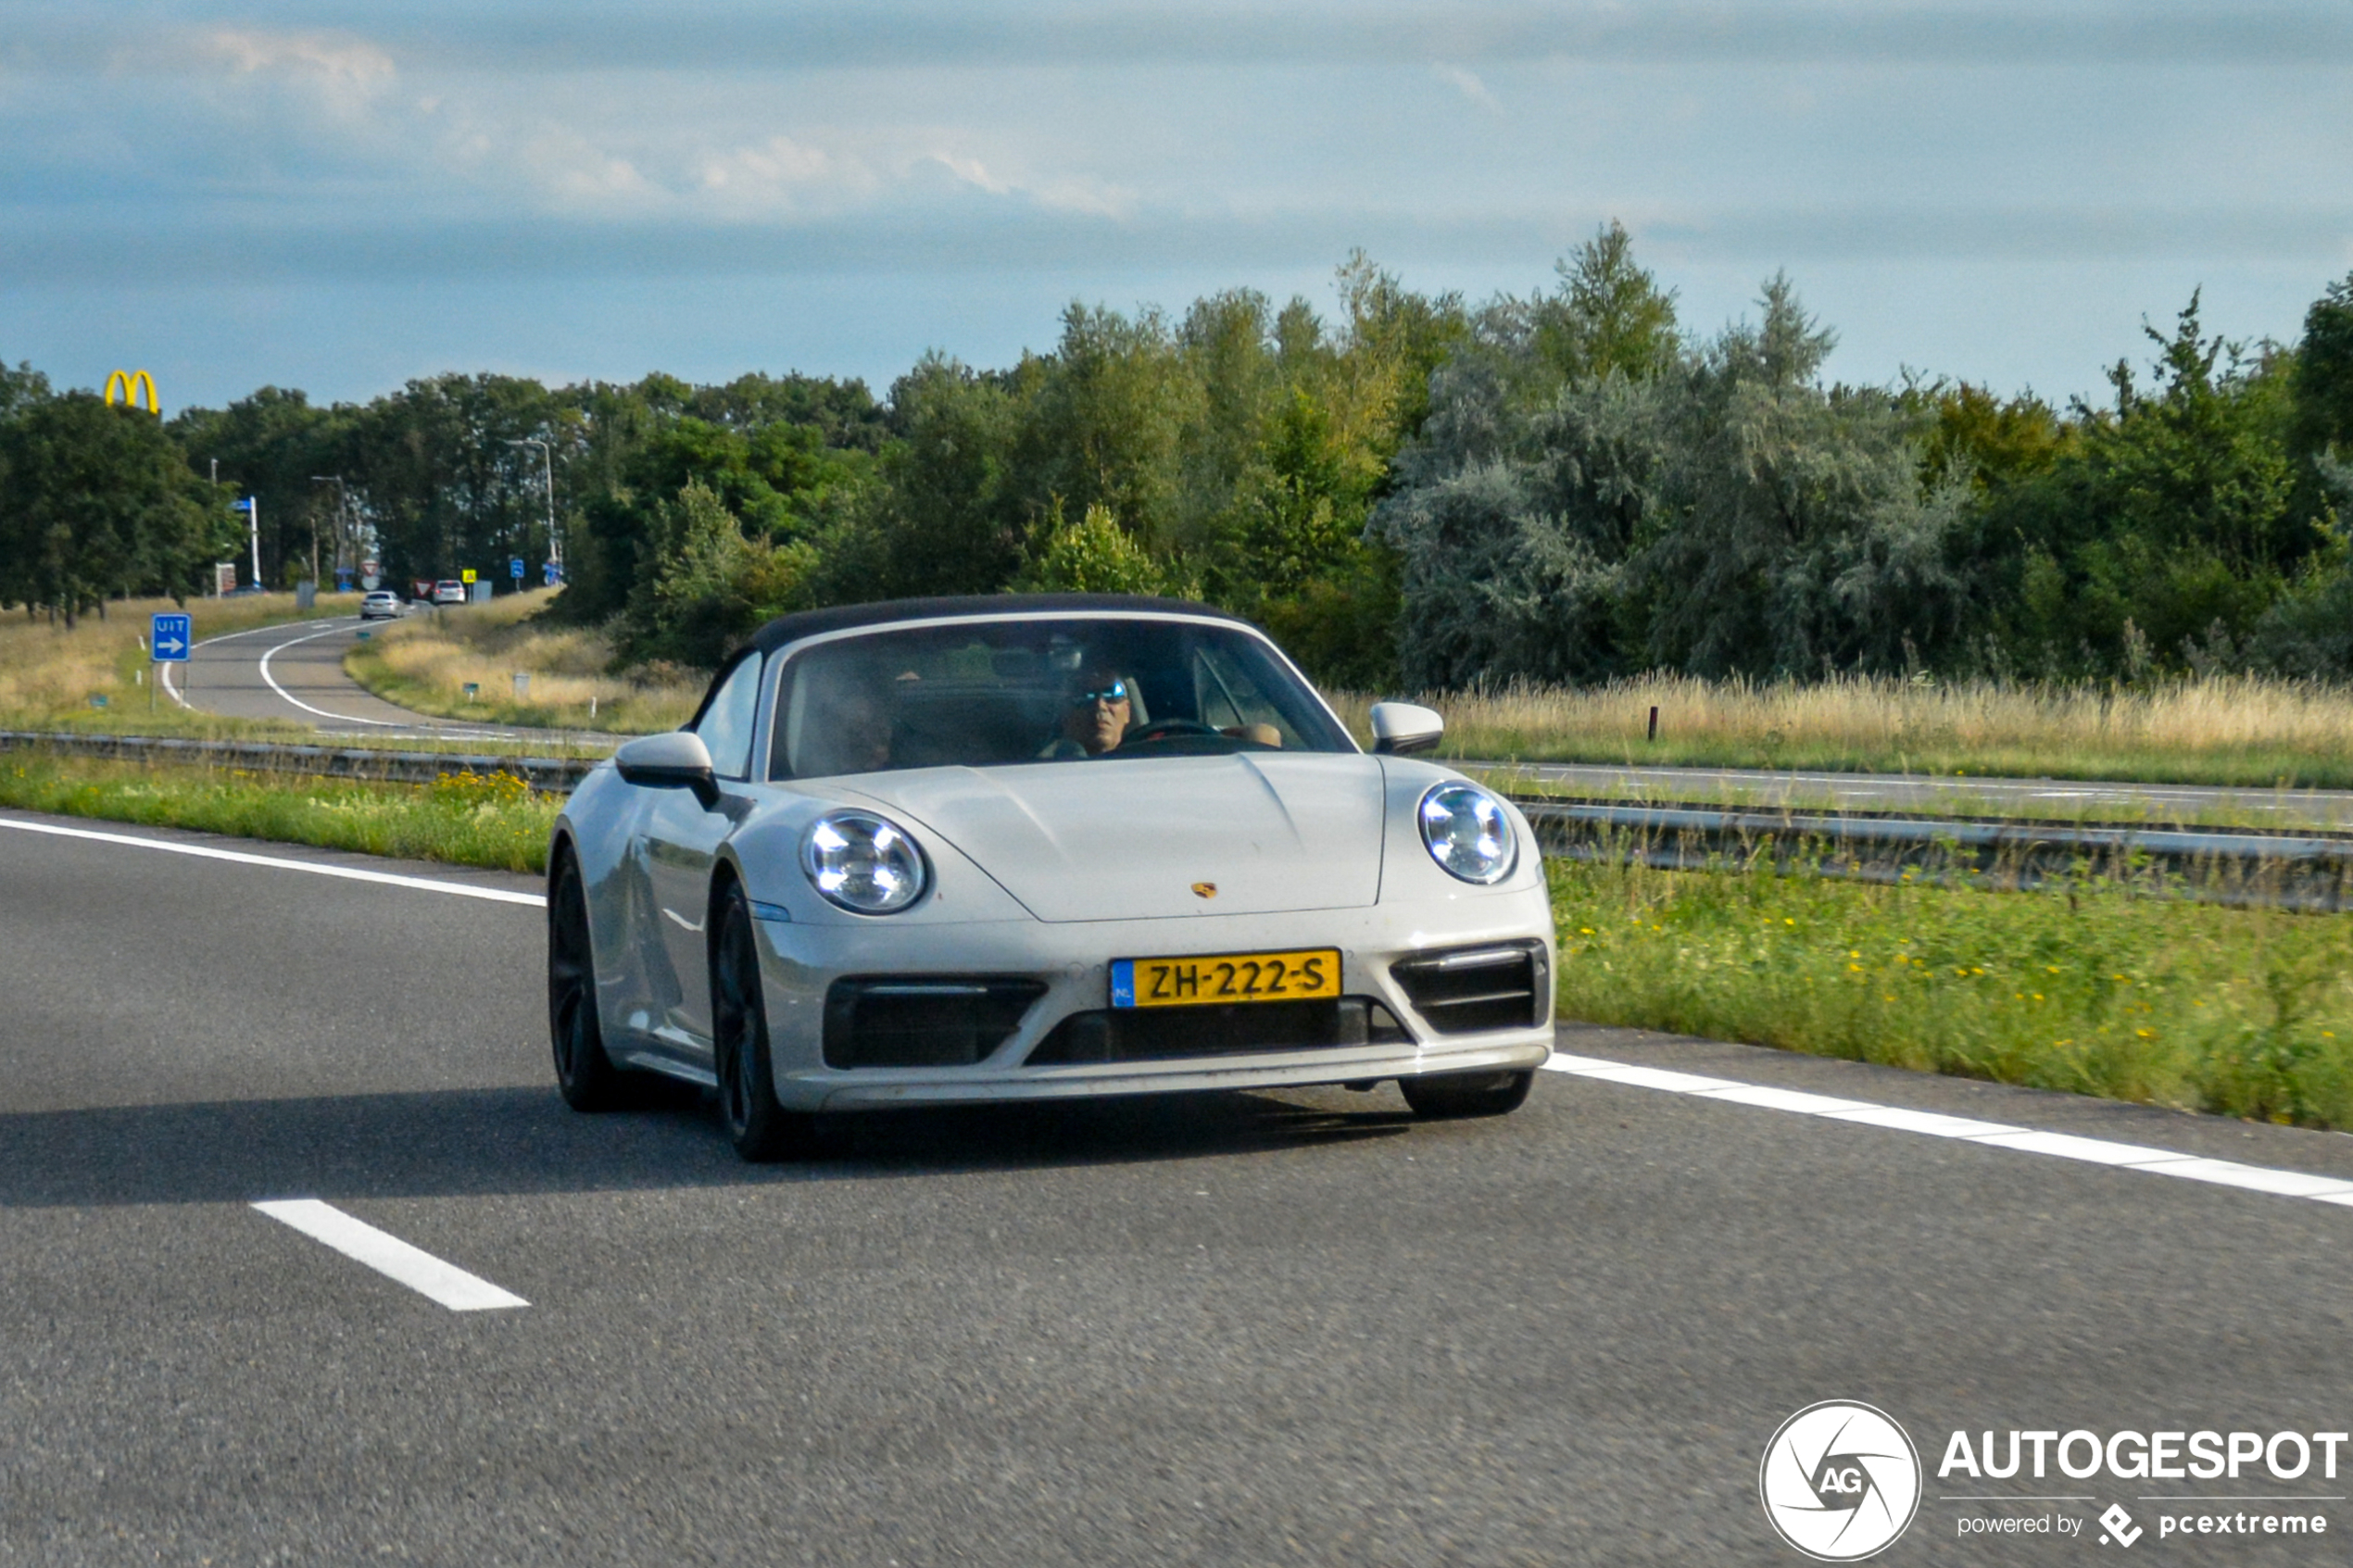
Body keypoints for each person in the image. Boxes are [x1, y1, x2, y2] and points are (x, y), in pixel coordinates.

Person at [1042, 668, 1134, 758]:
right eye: (1085, 697)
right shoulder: (1042, 767)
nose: (1100, 705)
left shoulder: (1144, 761)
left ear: (1127, 711)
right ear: (1065, 714)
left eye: (1112, 694)